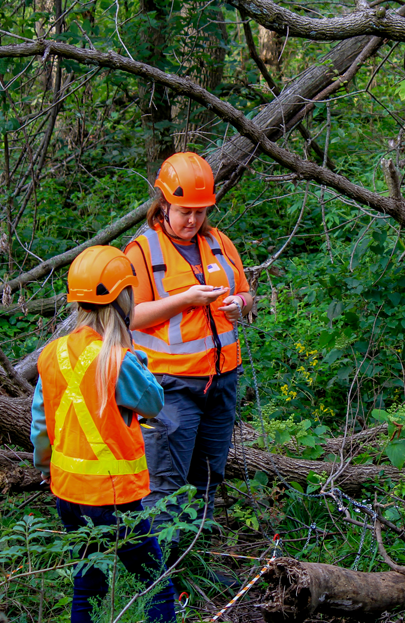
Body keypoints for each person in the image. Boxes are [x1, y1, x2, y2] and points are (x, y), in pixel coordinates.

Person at [30, 245, 176, 623]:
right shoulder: (119, 359)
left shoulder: (52, 353)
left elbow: (41, 425)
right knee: (155, 584)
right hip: (112, 499)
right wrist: (137, 358)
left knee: (88, 585)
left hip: (67, 494)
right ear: (125, 297)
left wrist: (47, 468)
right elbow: (153, 402)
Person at [124, 152, 253, 544]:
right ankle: (162, 583)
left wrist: (240, 305)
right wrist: (185, 300)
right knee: (165, 487)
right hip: (169, 388)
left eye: (200, 211)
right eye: (184, 211)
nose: (193, 220)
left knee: (207, 479)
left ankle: (194, 565)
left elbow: (248, 294)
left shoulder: (220, 243)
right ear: (163, 204)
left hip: (221, 383)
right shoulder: (142, 251)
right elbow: (129, 317)